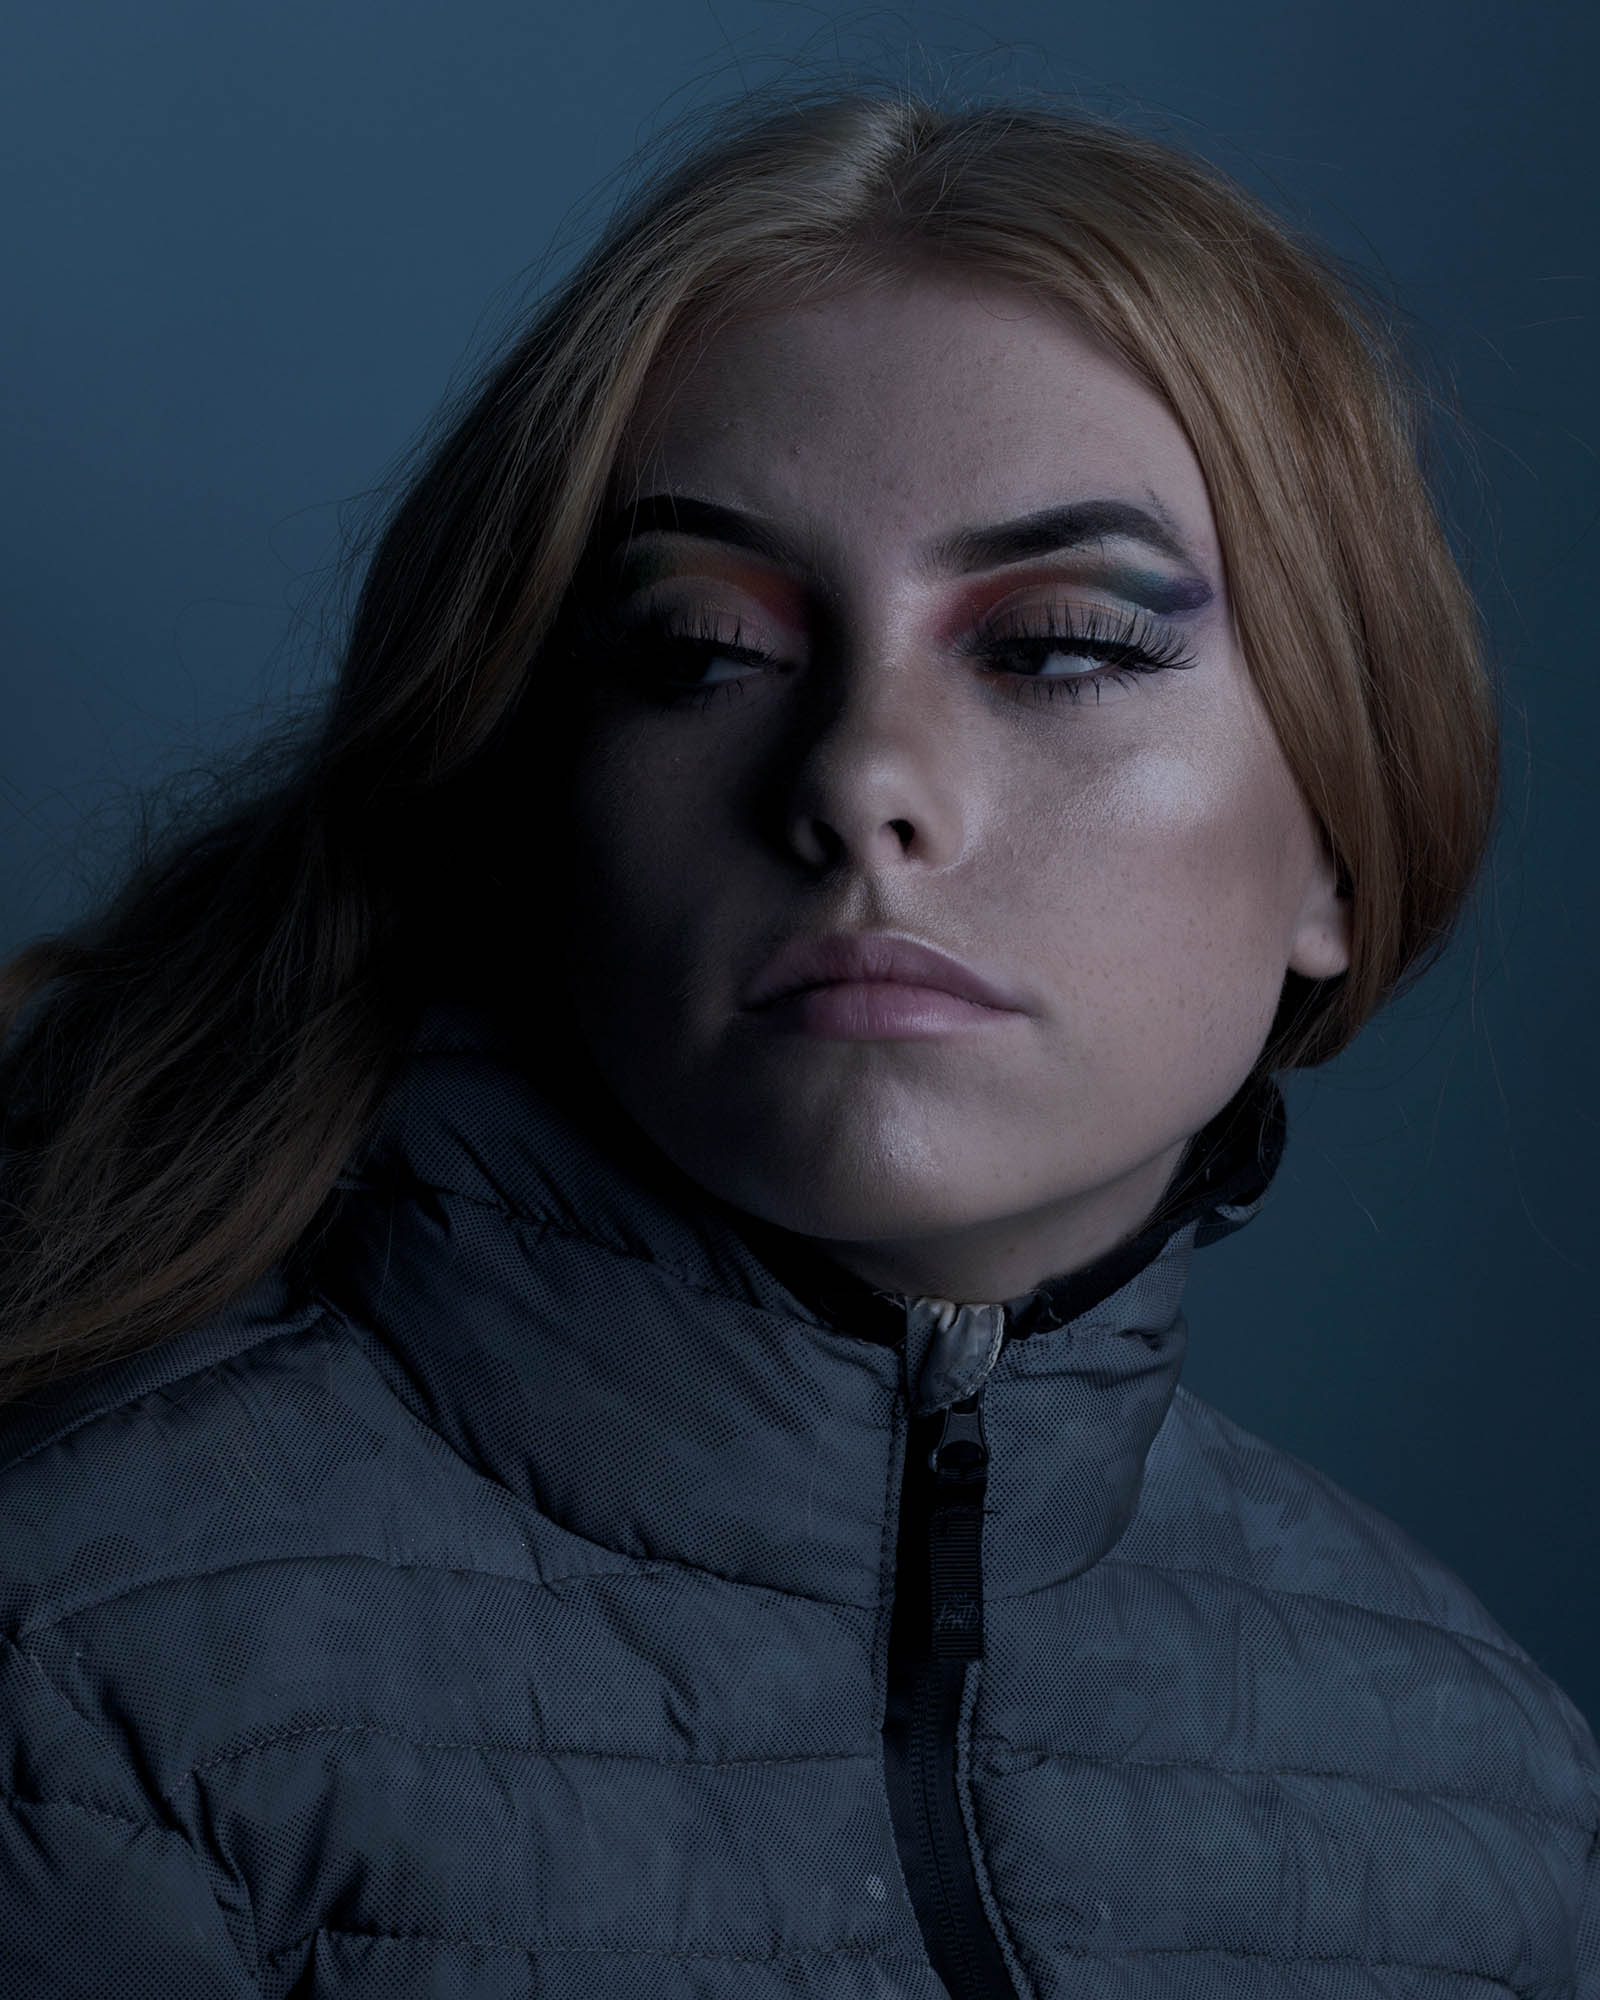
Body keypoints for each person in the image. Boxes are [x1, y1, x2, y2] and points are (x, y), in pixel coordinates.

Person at [0, 79, 1594, 2000]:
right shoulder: (77, 1675)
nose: (859, 781)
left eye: (1060, 644)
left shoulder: (1492, 1784)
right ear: (531, 794)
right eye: (697, 651)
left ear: (1338, 837)